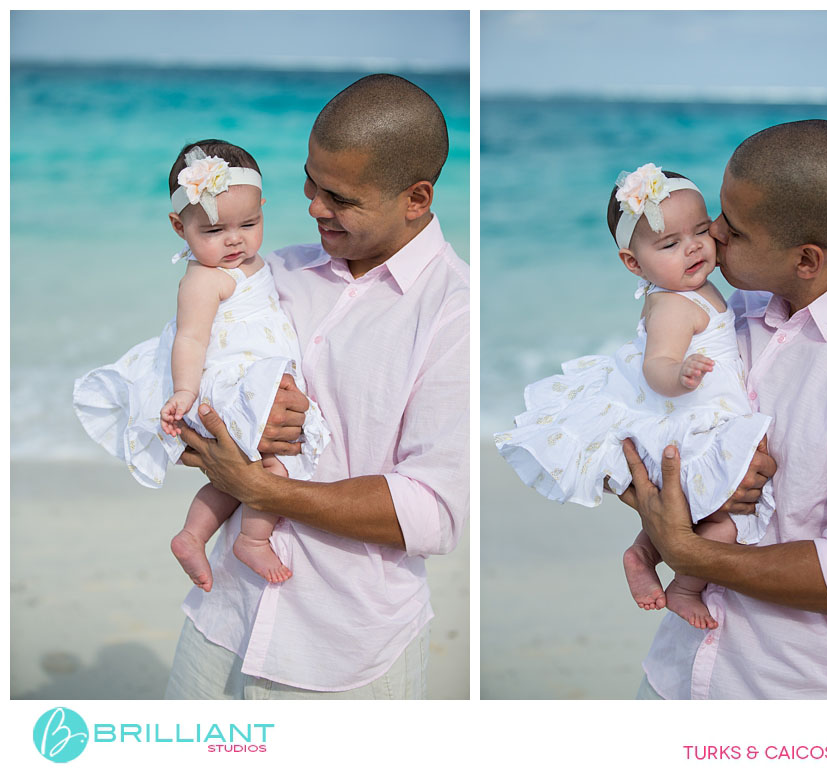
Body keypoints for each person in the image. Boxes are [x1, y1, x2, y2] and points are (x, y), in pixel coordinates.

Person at [166, 74, 469, 699]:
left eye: (339, 197)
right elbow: (168, 385)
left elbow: (434, 514)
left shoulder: (457, 312)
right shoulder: (277, 269)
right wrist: (220, 420)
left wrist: (254, 483)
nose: (313, 207)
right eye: (309, 182)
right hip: (224, 616)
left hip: (347, 652)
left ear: (416, 198)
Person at [618, 119, 827, 699]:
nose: (711, 231)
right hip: (674, 679)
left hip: (799, 700)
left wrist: (689, 552)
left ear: (807, 260)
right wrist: (686, 485)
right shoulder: (727, 312)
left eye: (732, 228)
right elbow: (628, 423)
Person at [495, 163, 773, 629]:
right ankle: (684, 587)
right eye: (670, 244)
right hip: (692, 417)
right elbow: (656, 365)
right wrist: (679, 374)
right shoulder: (673, 304)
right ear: (633, 262)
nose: (693, 247)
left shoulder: (691, 290)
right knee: (727, 524)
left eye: (701, 231)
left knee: (696, 513)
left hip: (696, 412)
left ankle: (643, 555)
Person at [73, 140, 330, 590]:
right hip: (229, 383)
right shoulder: (203, 278)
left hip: (254, 374)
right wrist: (186, 392)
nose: (234, 240)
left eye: (249, 224)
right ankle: (252, 540)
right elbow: (191, 338)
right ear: (179, 226)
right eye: (213, 232)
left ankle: (192, 535)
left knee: (248, 472)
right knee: (277, 470)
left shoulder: (255, 263)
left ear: (263, 210)